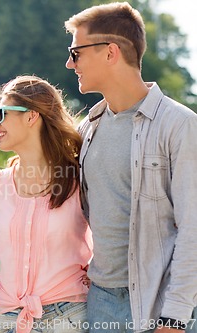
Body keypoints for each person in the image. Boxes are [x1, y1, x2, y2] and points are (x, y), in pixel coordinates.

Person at [64, 2, 197, 333]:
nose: (69, 63)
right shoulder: (88, 128)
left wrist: (175, 315)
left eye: (76, 52)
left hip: (159, 303)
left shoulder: (179, 125)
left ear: (110, 52)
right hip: (100, 301)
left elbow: (193, 228)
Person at [0, 75, 93, 333]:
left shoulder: (78, 177)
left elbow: (110, 239)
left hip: (68, 316)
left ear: (30, 116)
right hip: (8, 319)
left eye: (2, 113)